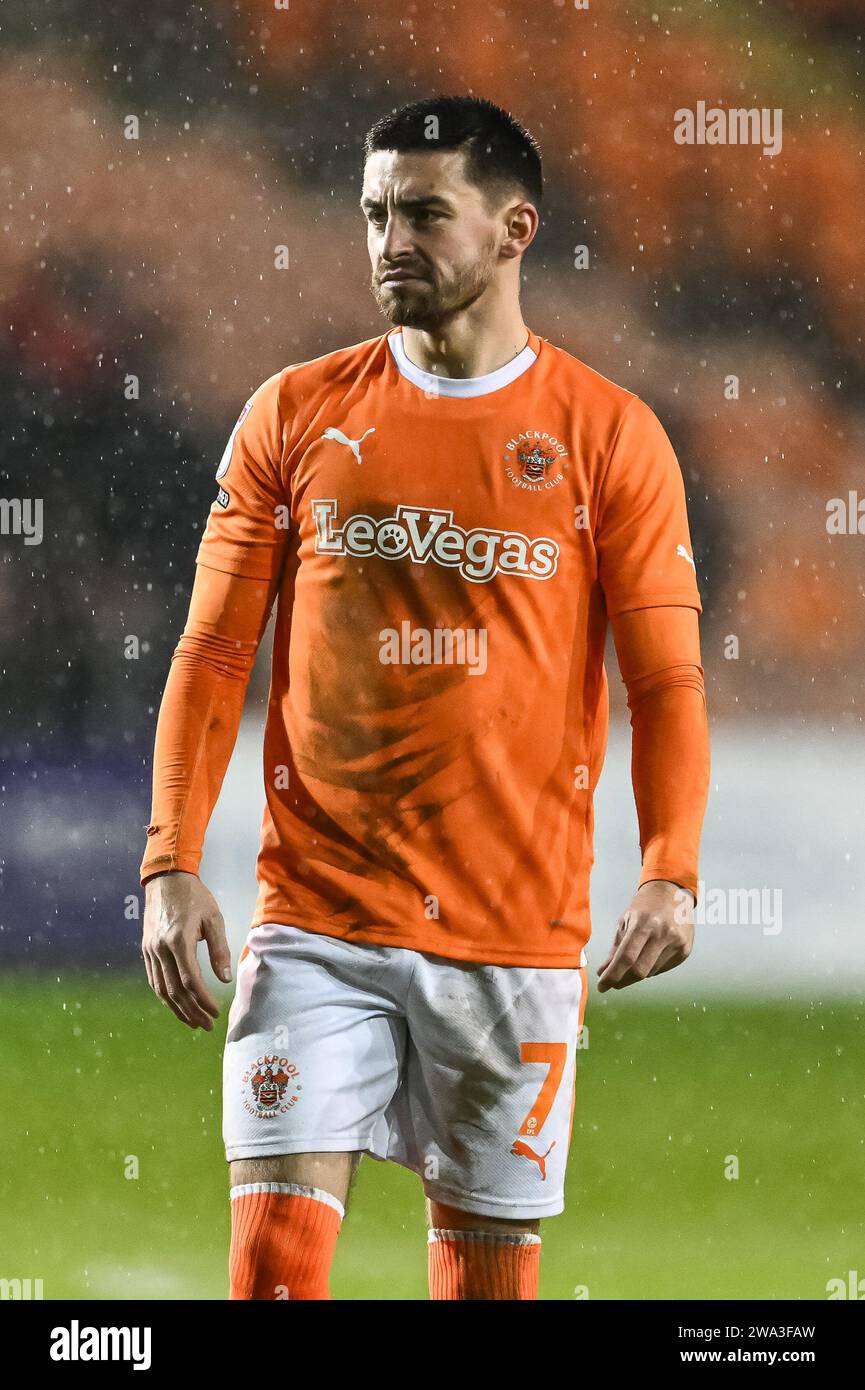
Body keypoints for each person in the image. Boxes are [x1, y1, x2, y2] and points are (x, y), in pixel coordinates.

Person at [140, 94, 710, 1301]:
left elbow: (663, 680)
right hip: (316, 921)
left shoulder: (609, 437)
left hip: (512, 933)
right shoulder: (296, 414)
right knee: (273, 1276)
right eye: (372, 213)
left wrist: (670, 866)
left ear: (515, 229)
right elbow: (212, 653)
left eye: (421, 213)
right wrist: (170, 859)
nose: (389, 240)